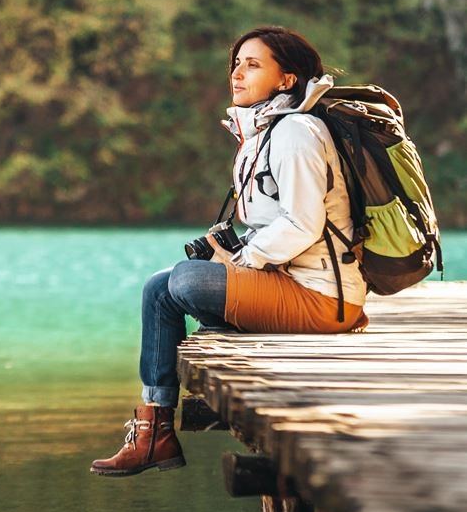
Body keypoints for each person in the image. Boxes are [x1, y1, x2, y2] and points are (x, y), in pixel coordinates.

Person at [90, 26, 369, 477]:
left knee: (184, 281)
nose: (237, 73)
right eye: (236, 63)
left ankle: (156, 432)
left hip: (323, 298)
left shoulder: (297, 132)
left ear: (286, 80)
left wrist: (240, 261)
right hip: (289, 284)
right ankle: (153, 427)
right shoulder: (263, 134)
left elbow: (303, 224)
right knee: (159, 286)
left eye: (253, 64)